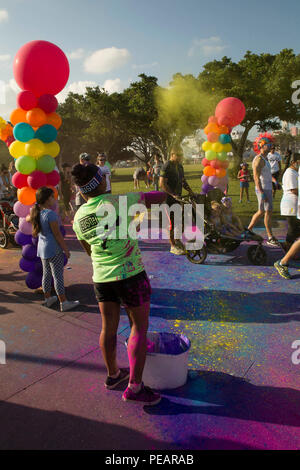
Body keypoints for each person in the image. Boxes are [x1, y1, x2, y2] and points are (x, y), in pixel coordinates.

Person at [71, 163, 165, 405]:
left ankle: (113, 375)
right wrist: (170, 192)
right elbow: (158, 196)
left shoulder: (79, 216)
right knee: (138, 328)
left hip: (102, 278)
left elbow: (89, 250)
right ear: (101, 182)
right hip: (131, 275)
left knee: (108, 327)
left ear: (82, 191)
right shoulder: (119, 201)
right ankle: (135, 387)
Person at [27, 186, 80, 311]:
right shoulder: (50, 214)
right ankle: (63, 302)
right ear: (46, 199)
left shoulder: (36, 213)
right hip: (53, 249)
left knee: (46, 274)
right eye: (52, 197)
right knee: (57, 276)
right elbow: (57, 235)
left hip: (43, 249)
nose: (54, 199)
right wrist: (65, 249)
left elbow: (28, 218)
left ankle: (48, 299)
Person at [159, 147, 194, 255]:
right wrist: (172, 194)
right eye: (178, 155)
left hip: (178, 199)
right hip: (167, 199)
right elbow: (162, 183)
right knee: (171, 223)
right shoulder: (167, 166)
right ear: (172, 154)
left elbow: (183, 181)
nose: (180, 157)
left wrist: (190, 191)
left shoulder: (179, 166)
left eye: (181, 155)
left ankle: (177, 240)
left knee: (180, 222)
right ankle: (173, 246)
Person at [247, 139, 279, 246]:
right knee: (268, 212)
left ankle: (249, 230)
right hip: (263, 189)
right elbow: (256, 177)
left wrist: (275, 181)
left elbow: (267, 175)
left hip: (267, 188)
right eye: (268, 145)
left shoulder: (265, 159)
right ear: (262, 146)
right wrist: (262, 192)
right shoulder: (259, 160)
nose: (270, 146)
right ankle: (270, 237)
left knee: (261, 211)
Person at [280, 153, 300, 251]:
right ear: (293, 162)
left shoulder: (296, 172)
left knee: (295, 228)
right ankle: (287, 246)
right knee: (293, 228)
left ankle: (289, 246)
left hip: (296, 204)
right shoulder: (290, 173)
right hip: (290, 205)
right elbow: (294, 190)